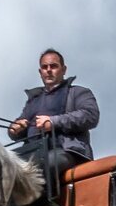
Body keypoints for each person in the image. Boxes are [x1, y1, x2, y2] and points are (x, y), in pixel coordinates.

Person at [8, 49, 100, 179]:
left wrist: (53, 122)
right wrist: (14, 129)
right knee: (4, 169)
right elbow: (18, 127)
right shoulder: (33, 101)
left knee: (43, 164)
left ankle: (44, 200)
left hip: (67, 152)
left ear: (63, 70)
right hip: (32, 152)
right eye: (45, 67)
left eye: (54, 66)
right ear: (40, 72)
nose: (49, 70)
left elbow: (90, 116)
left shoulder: (78, 92)